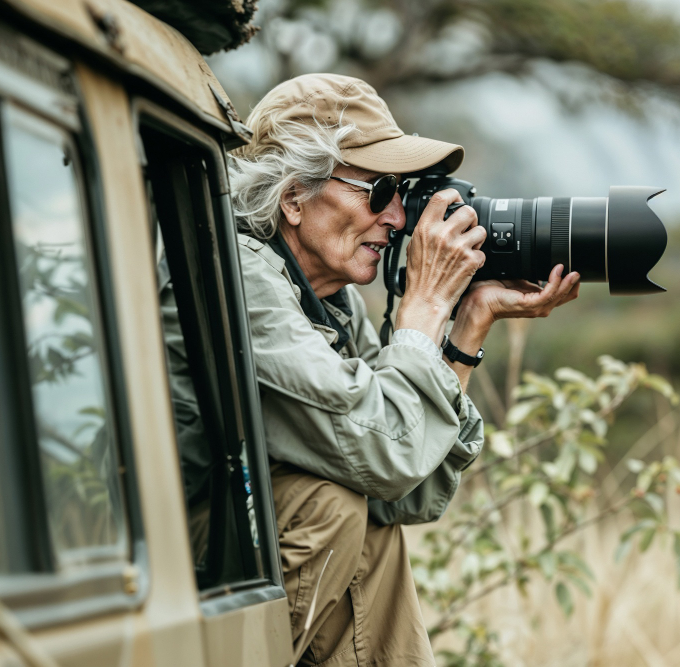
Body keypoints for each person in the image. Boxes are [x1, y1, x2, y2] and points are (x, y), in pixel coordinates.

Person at [226, 73, 580, 666]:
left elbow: (404, 493)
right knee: (329, 504)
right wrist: (422, 311)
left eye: (403, 192)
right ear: (292, 195)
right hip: (171, 562)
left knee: (360, 512)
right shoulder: (240, 273)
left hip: (236, 547)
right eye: (378, 189)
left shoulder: (329, 300)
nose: (397, 217)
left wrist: (467, 325)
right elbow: (382, 455)